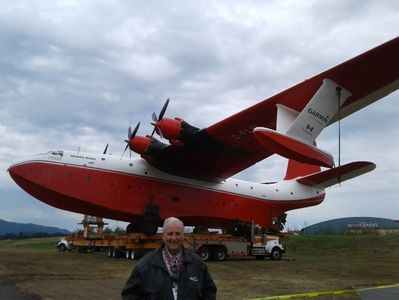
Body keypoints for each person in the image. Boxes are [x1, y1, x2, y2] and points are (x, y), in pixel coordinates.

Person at [121, 217, 217, 300]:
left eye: (178, 234)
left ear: (183, 237)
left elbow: (209, 291)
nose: (174, 238)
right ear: (163, 237)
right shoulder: (146, 265)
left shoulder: (197, 264)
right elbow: (129, 294)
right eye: (170, 234)